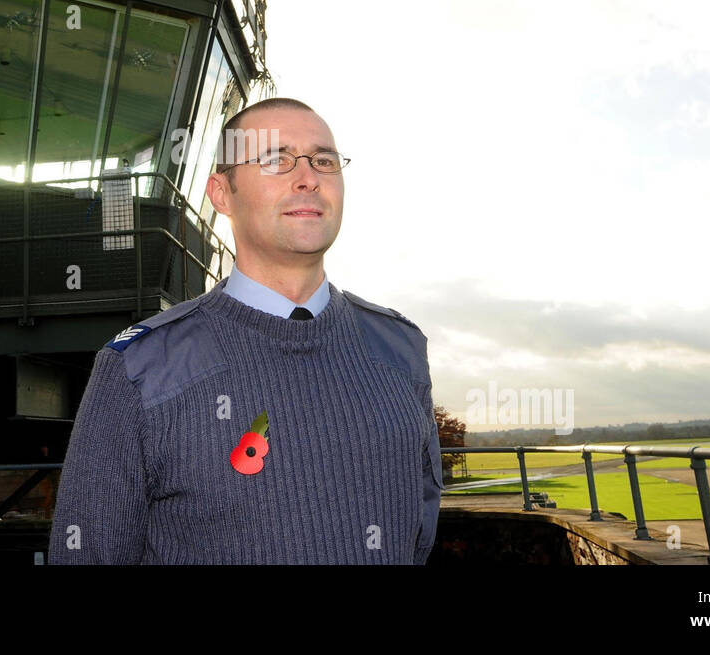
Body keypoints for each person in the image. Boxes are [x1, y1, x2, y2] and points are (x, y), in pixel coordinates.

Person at [47, 97, 442, 564]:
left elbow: (417, 539)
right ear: (221, 194)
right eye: (276, 159)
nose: (308, 177)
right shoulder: (139, 369)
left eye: (324, 160)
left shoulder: (401, 349)